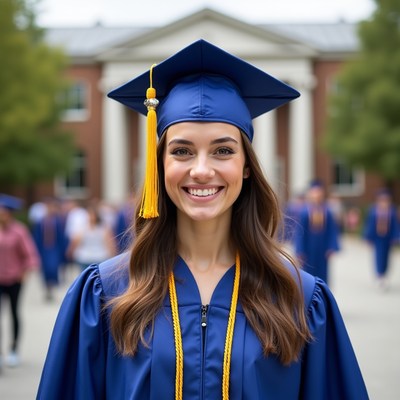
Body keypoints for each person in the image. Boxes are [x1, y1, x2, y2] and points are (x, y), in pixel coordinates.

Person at [37, 40, 368, 399]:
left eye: (223, 150)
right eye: (181, 151)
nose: (201, 170)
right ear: (160, 166)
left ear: (246, 168)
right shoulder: (107, 294)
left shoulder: (300, 299)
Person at [0, 194, 39, 369]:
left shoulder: (19, 231)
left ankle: (14, 349)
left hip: (15, 279)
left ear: (9, 213)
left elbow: (30, 255)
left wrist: (25, 273)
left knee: (14, 313)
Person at [294, 180, 340, 285]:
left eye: (319, 193)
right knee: (308, 273)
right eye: (314, 193)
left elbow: (332, 230)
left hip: (322, 249)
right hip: (308, 249)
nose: (316, 196)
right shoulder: (304, 212)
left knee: (323, 273)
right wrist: (300, 250)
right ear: (310, 194)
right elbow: (300, 232)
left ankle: (323, 294)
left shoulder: (327, 211)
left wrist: (332, 246)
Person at [363, 189, 399, 290]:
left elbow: (395, 225)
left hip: (387, 239)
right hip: (377, 239)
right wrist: (368, 237)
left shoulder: (391, 211)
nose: (384, 202)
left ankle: (384, 274)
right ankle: (379, 275)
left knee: (387, 257)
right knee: (378, 257)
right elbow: (369, 225)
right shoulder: (374, 211)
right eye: (382, 200)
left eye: (386, 200)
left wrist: (396, 237)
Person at [32, 198, 66, 301]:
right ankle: (47, 289)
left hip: (54, 249)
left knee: (53, 269)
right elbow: (37, 237)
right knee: (45, 270)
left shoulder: (58, 221)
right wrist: (36, 251)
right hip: (44, 249)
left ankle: (51, 288)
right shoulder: (40, 221)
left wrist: (62, 250)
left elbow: (61, 237)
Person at [67, 203, 117, 271]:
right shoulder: (83, 228)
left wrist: (113, 257)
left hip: (100, 257)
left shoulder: (103, 228)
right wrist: (71, 251)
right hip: (84, 257)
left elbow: (110, 244)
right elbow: (76, 241)